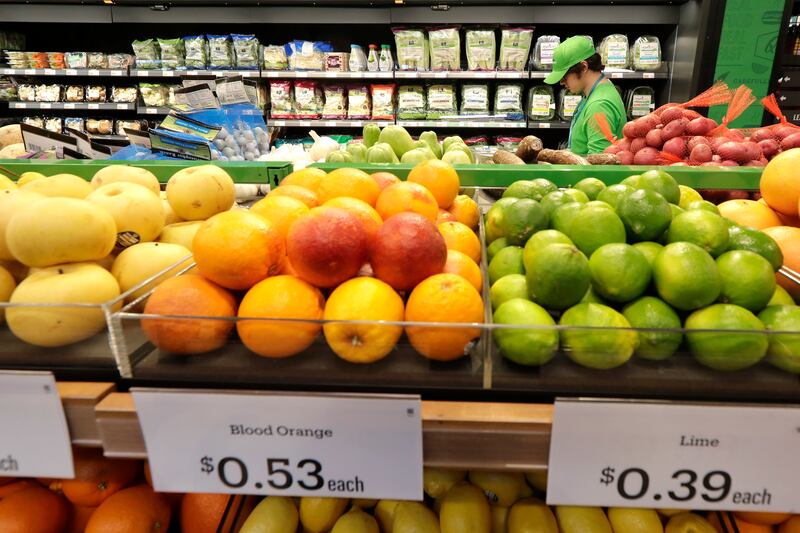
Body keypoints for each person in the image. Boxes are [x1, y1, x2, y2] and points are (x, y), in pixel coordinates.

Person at [544, 36, 626, 155]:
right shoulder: (600, 89)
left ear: (583, 67)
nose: (561, 82)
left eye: (564, 76)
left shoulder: (599, 106)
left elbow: (599, 164)